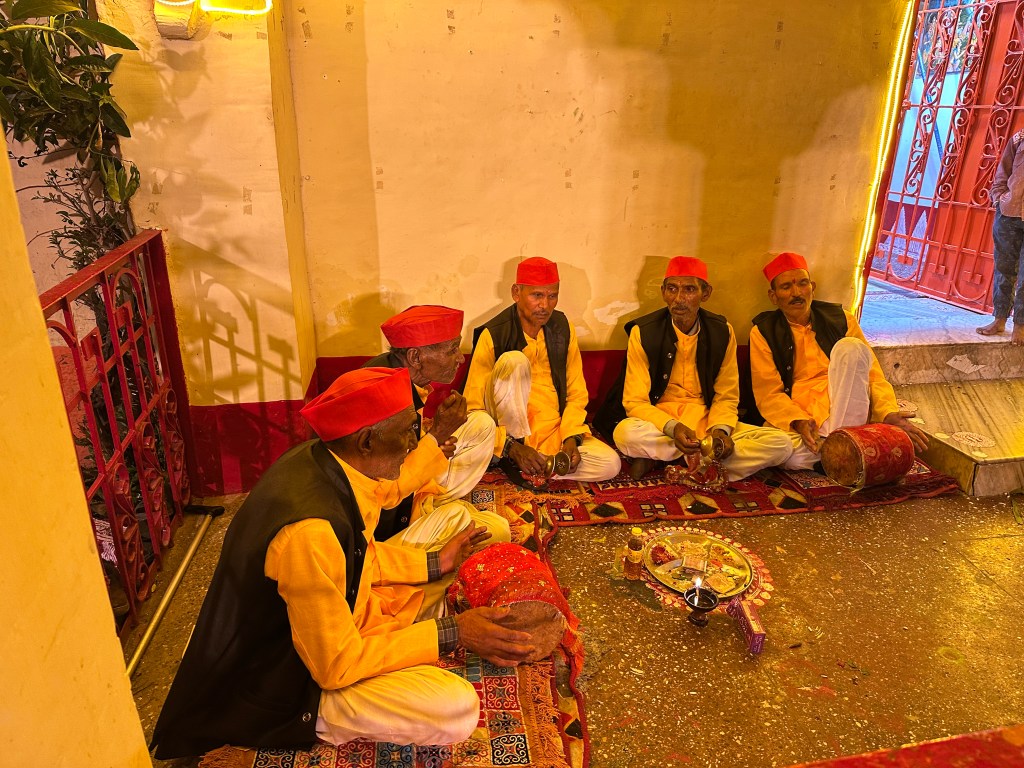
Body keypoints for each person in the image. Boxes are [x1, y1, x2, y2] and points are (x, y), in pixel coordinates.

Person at [150, 368, 536, 759]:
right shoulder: (309, 531)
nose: (414, 442)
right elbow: (334, 664)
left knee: (458, 526)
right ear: (367, 440)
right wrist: (453, 633)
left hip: (342, 619)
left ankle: (415, 618)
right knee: (457, 708)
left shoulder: (330, 461)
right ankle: (325, 718)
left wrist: (437, 563)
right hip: (291, 678)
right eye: (407, 432)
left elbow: (361, 551)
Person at [595, 256, 792, 481]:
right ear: (663, 292)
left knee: (781, 444)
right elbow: (635, 401)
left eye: (689, 289)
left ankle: (669, 459)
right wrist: (672, 428)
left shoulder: (722, 331)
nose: (679, 299)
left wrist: (720, 431)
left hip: (706, 421)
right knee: (625, 433)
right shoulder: (644, 332)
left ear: (705, 293)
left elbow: (727, 396)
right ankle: (710, 462)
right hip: (660, 424)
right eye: (672, 289)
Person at [749, 252, 928, 471]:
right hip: (806, 415)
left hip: (847, 402)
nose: (796, 293)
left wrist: (888, 412)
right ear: (774, 296)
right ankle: (845, 449)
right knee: (789, 454)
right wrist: (798, 421)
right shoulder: (763, 332)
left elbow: (872, 375)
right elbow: (768, 394)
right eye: (786, 287)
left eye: (802, 284)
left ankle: (837, 449)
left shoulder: (842, 319)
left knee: (851, 348)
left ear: (812, 287)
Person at [464, 257, 621, 483]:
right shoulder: (494, 334)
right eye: (537, 295)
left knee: (610, 464)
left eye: (552, 296)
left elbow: (577, 392)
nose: (545, 305)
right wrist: (511, 446)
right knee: (514, 361)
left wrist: (571, 438)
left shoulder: (563, 328)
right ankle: (514, 455)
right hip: (509, 431)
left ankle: (541, 465)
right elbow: (473, 407)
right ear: (516, 293)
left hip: (552, 429)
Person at [365, 305, 508, 543]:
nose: (461, 358)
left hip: (414, 495)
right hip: (387, 526)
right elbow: (385, 494)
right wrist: (436, 438)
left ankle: (438, 507)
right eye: (452, 349)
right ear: (415, 357)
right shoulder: (382, 398)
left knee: (482, 423)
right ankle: (435, 525)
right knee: (497, 530)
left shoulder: (399, 374)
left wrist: (427, 433)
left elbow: (403, 447)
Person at [978, 127, 1024, 346]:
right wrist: (999, 198)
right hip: (1009, 213)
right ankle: (999, 319)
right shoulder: (1020, 137)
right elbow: (1003, 171)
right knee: (1004, 268)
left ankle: (1021, 325)